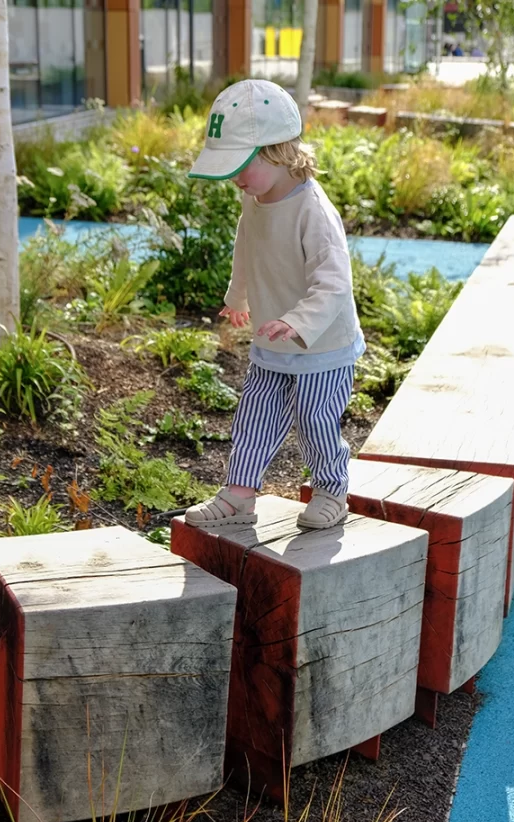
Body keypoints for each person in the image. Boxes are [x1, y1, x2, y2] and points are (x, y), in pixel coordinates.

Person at [184, 79, 365, 531]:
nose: (235, 177)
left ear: (277, 152)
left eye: (241, 165)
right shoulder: (254, 200)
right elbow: (247, 251)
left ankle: (331, 489)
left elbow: (334, 283)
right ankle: (240, 492)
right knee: (255, 414)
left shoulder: (313, 212)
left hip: (322, 347)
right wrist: (238, 297)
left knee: (314, 418)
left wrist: (298, 322)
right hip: (272, 339)